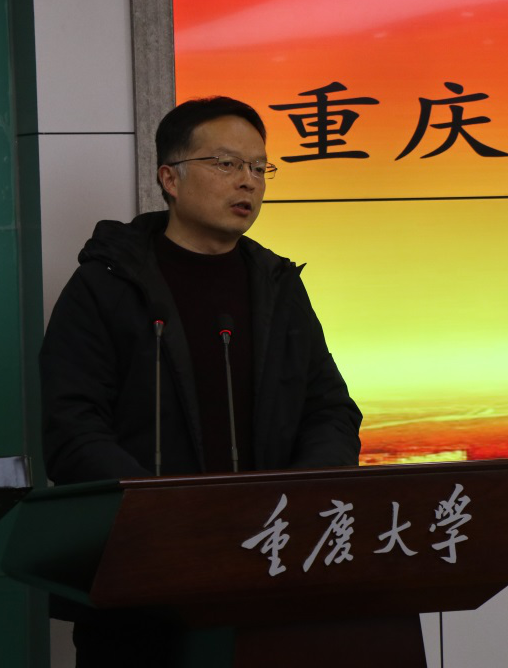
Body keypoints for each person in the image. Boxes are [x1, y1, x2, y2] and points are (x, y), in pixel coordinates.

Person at [39, 97, 362, 666]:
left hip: (270, 567)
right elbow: (73, 427)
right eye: (227, 164)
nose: (248, 181)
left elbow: (330, 409)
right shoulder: (106, 285)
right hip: (143, 581)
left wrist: (303, 498)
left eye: (259, 167)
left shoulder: (278, 285)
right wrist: (162, 512)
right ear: (170, 178)